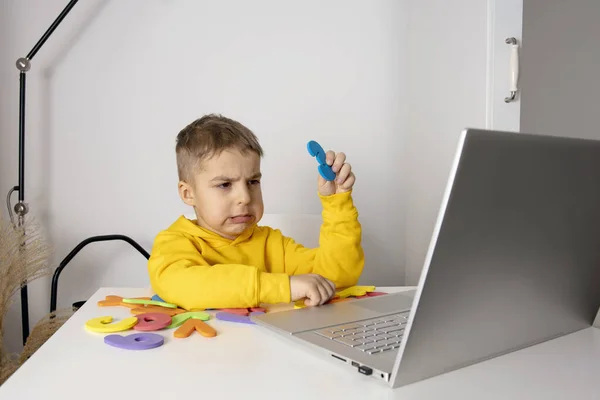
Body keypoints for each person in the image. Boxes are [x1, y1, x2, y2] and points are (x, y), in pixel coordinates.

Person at [147, 114, 364, 310]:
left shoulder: (273, 244)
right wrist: (282, 286)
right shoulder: (173, 243)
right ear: (188, 194)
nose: (245, 197)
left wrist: (337, 203)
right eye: (224, 185)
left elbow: (335, 276)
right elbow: (185, 285)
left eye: (253, 181)